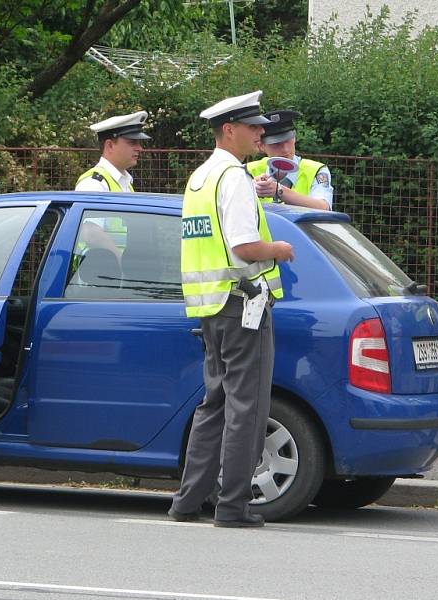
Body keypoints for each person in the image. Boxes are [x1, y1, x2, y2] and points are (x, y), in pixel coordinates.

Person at [169, 91, 294, 528]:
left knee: (215, 404)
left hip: (209, 308)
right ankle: (233, 506)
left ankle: (187, 502)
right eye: (254, 126)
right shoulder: (234, 179)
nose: (262, 132)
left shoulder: (199, 178)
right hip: (242, 303)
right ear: (229, 130)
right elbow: (244, 246)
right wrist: (278, 248)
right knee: (248, 407)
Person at [74, 111, 152, 261]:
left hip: (111, 275)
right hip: (95, 275)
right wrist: (119, 261)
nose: (139, 148)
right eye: (132, 142)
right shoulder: (94, 183)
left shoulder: (124, 182)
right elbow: (90, 232)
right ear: (109, 145)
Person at [247, 110, 333, 210]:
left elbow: (324, 207)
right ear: (261, 146)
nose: (285, 149)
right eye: (276, 144)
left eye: (288, 140)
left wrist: (279, 191)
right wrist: (249, 190)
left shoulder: (316, 170)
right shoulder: (249, 171)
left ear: (294, 138)